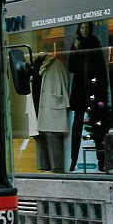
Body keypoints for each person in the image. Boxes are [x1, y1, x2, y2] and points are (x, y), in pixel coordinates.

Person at [67, 22, 109, 171]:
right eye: (82, 27)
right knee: (77, 127)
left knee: (97, 125)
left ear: (90, 28)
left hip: (94, 88)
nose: (84, 30)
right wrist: (75, 50)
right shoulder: (76, 43)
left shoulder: (94, 43)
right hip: (80, 90)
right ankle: (73, 161)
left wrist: (102, 93)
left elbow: (100, 69)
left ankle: (101, 161)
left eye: (86, 27)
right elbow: (71, 68)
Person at [34, 44, 69, 173]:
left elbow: (64, 86)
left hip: (51, 107)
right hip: (38, 106)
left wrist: (62, 102)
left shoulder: (56, 65)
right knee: (40, 137)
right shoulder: (35, 64)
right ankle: (43, 168)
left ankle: (56, 168)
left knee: (52, 136)